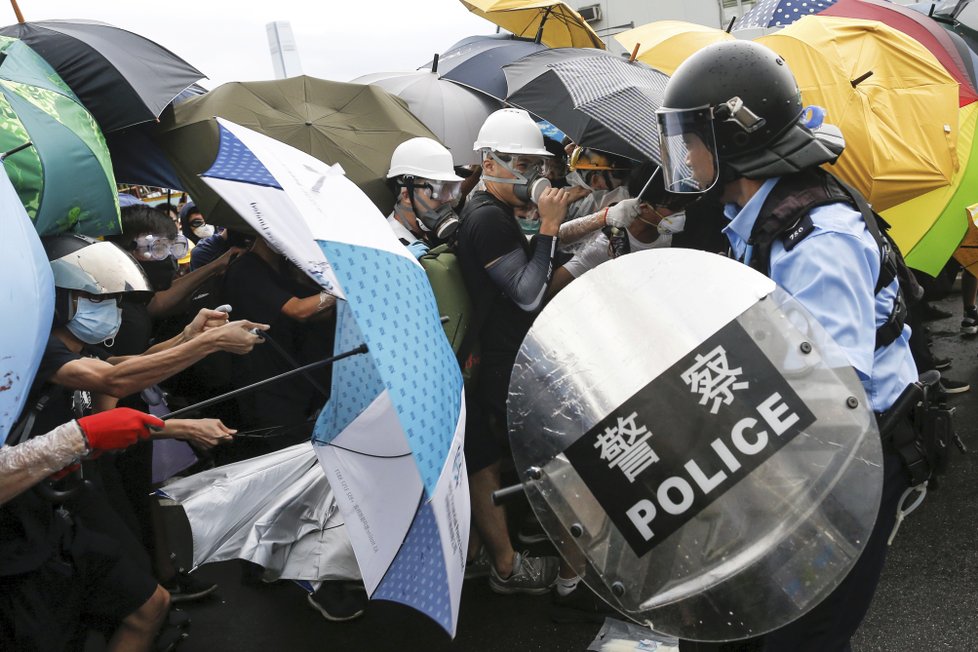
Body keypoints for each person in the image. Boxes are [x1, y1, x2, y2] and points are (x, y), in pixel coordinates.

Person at [655, 40, 919, 651]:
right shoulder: (760, 213)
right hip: (800, 458)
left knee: (805, 635)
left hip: (850, 461)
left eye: (691, 139)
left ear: (732, 143)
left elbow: (832, 396)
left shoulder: (816, 240)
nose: (684, 156)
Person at [385, 136, 466, 257]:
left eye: (451, 188)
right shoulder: (392, 248)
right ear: (407, 195)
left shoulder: (426, 231)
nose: (449, 198)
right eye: (440, 190)